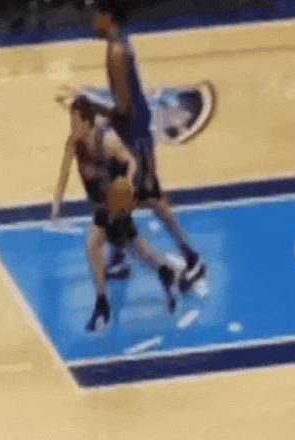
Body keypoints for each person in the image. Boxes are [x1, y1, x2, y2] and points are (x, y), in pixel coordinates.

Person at [92, 0, 206, 291]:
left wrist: (99, 113)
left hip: (133, 131)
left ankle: (191, 257)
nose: (93, 20)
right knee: (127, 194)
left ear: (109, 17)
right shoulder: (119, 43)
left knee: (149, 196)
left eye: (97, 14)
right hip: (135, 126)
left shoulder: (116, 51)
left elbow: (124, 106)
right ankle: (119, 258)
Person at [52, 96, 179, 332]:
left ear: (87, 122)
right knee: (135, 248)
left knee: (96, 245)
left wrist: (127, 184)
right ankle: (164, 272)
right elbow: (64, 172)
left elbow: (131, 162)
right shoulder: (73, 143)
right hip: (101, 205)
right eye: (71, 122)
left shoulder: (107, 140)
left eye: (76, 122)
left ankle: (103, 304)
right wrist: (56, 205)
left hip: (115, 202)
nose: (72, 127)